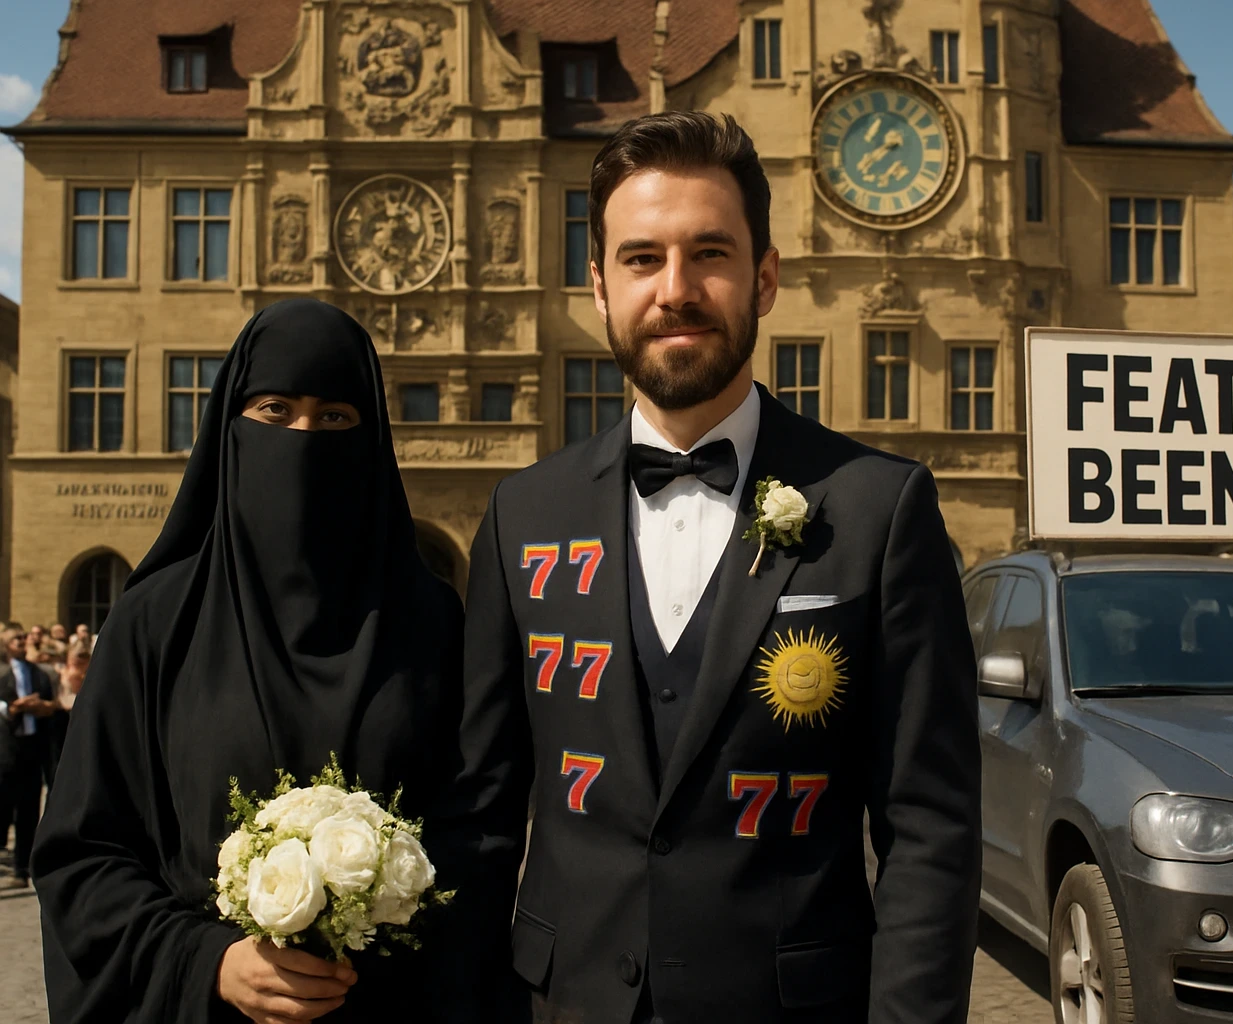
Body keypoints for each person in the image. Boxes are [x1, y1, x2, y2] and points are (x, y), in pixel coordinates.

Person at [462, 112, 982, 1023]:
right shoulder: (522, 516)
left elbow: (930, 831)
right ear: (598, 286)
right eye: (640, 259)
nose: (676, 289)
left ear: (765, 276)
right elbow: (483, 815)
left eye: (709, 253)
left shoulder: (876, 509)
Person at [32, 298, 475, 1024]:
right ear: (230, 429)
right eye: (275, 410)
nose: (303, 436)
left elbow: (475, 835)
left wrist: (390, 920)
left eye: (334, 416)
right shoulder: (155, 623)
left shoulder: (429, 626)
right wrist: (205, 961)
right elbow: (83, 855)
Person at [1, 626, 63, 888]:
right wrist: (14, 708)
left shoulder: (39, 673)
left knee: (28, 809)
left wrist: (41, 707)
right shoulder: (2, 673)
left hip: (32, 748)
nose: (23, 641)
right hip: (6, 749)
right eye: (17, 638)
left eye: (24, 638)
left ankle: (21, 868)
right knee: (3, 805)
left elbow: (52, 702)